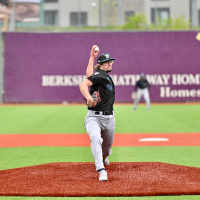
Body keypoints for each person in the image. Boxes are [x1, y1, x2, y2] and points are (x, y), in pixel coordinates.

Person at [79, 45, 115, 181]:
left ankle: (104, 157)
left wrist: (91, 58)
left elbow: (89, 75)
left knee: (106, 150)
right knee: (95, 137)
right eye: (107, 62)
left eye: (111, 61)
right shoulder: (101, 75)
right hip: (94, 117)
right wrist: (88, 98)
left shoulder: (101, 76)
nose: (110, 63)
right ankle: (101, 170)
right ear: (100, 65)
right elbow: (82, 85)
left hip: (110, 118)